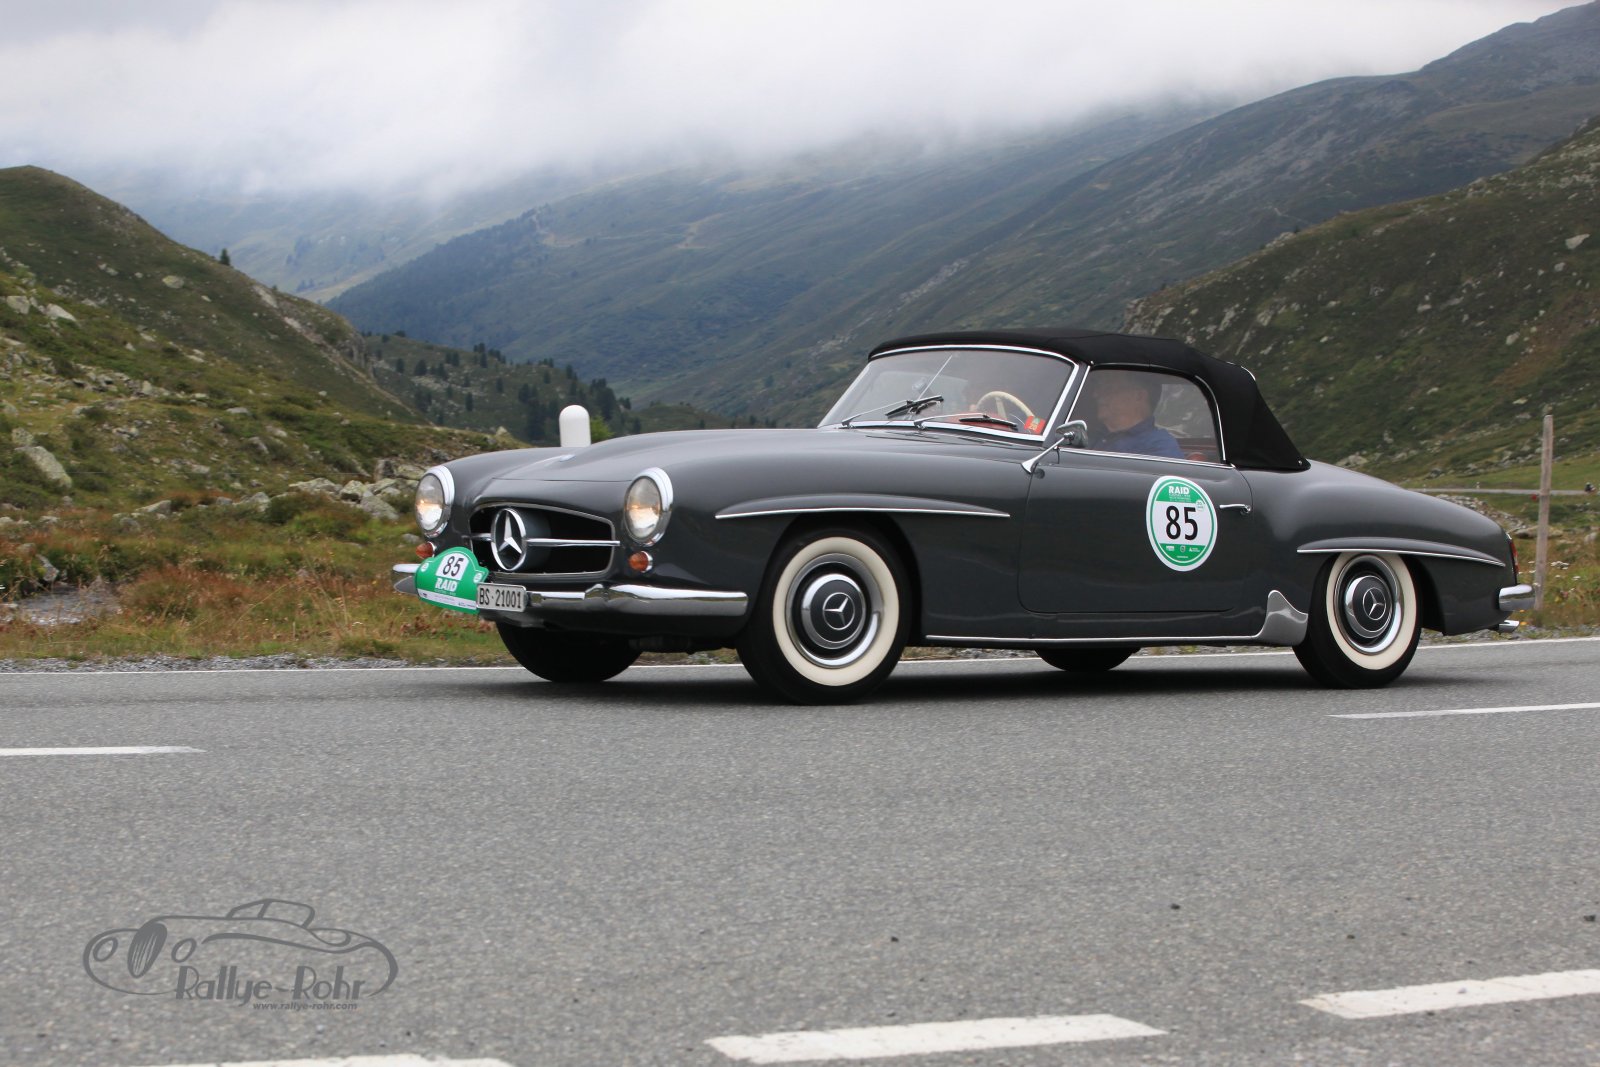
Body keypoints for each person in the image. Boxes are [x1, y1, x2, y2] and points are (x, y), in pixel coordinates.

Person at [1090, 371, 1182, 458]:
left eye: (1108, 388)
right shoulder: (1093, 435)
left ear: (1139, 396)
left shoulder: (1159, 446)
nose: (1095, 395)